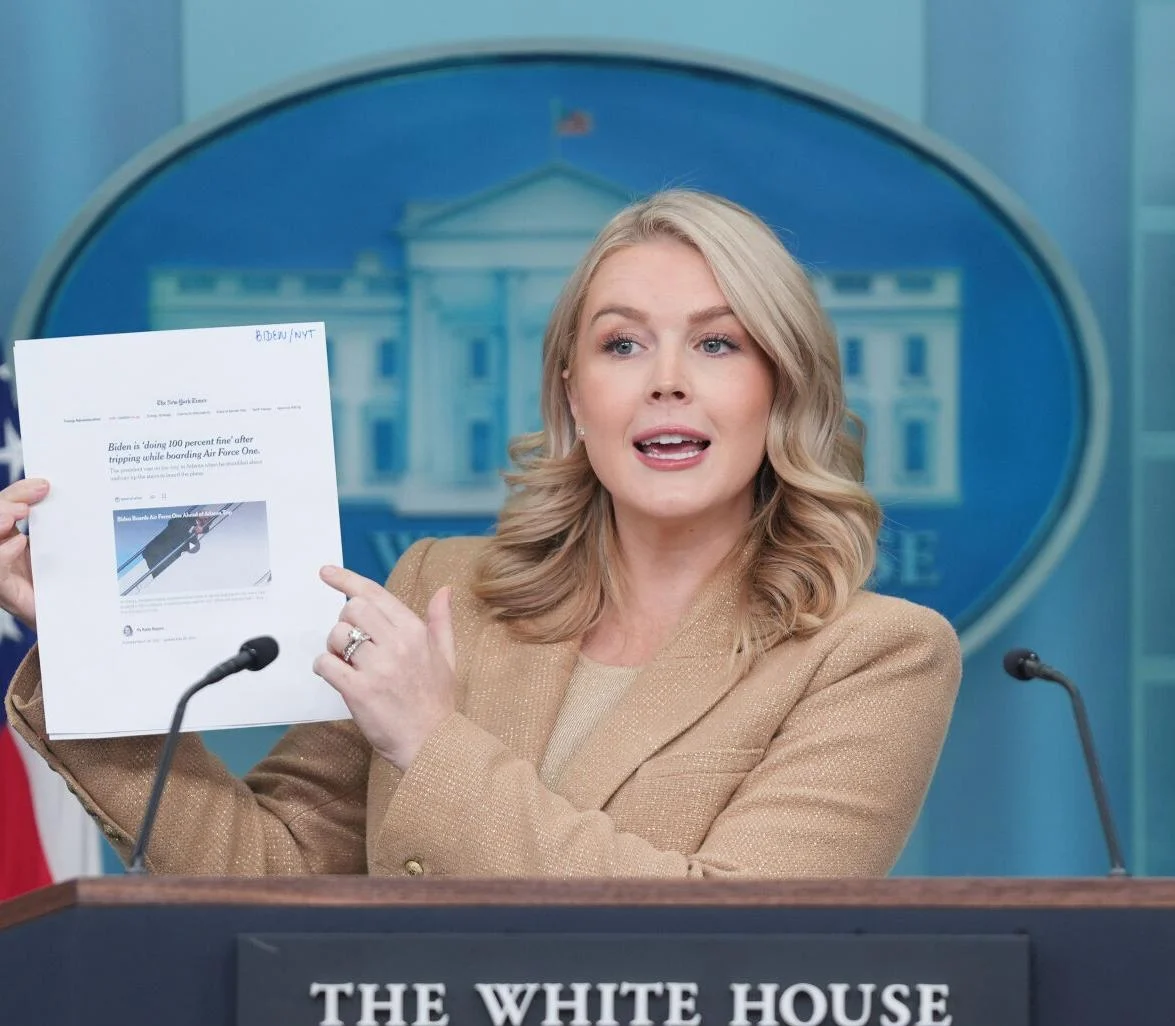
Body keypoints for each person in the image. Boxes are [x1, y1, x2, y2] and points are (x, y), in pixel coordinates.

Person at [1, 190, 960, 879]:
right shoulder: (438, 588)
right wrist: (92, 644)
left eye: (717, 342)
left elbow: (733, 936)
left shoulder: (876, 654)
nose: (666, 378)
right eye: (622, 344)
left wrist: (429, 739)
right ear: (576, 401)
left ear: (779, 390)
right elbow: (272, 870)